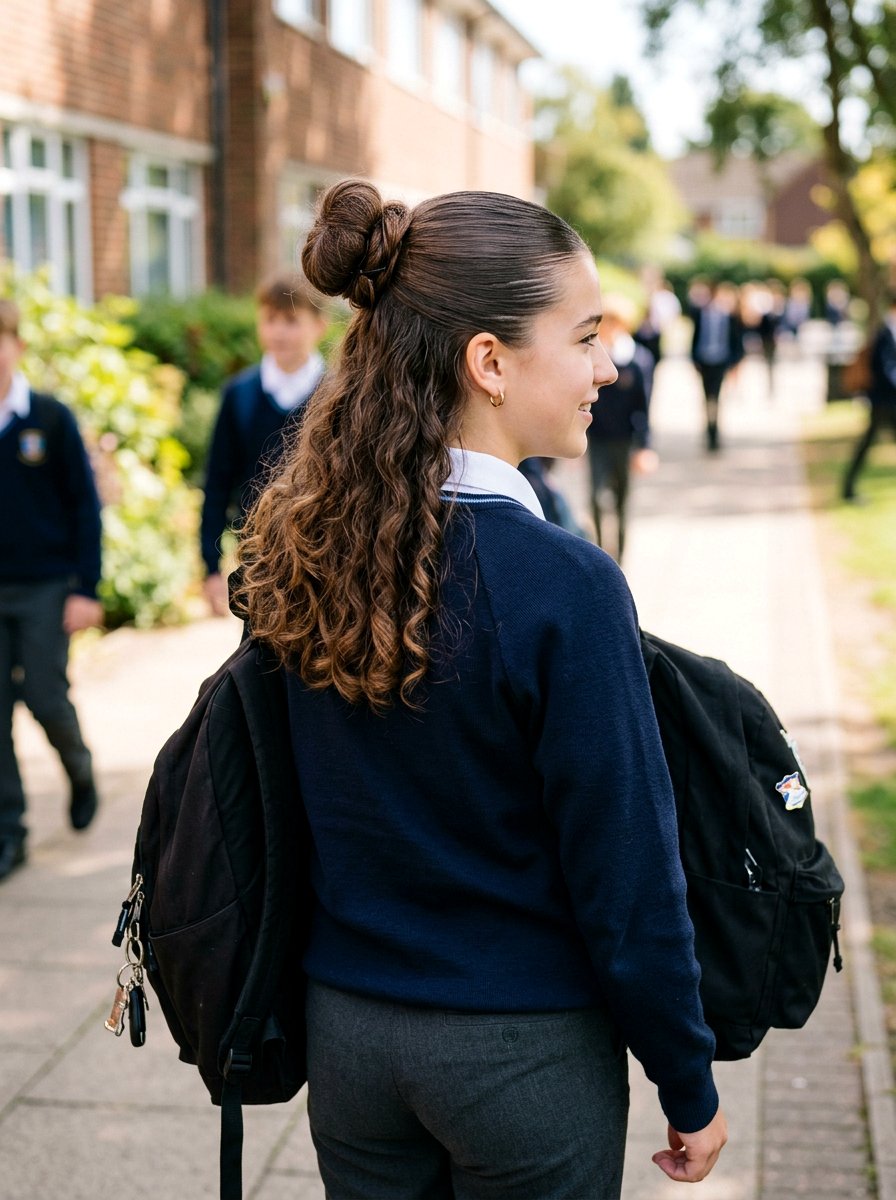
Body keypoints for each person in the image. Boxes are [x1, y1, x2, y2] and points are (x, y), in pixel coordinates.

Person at [234, 180, 727, 1196]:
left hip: (351, 1042)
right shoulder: (566, 587)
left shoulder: (304, 546)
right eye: (583, 335)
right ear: (488, 362)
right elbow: (626, 876)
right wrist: (687, 1079)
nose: (607, 365)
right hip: (521, 1058)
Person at [0, 298, 103, 882]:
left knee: (44, 695)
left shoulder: (49, 418)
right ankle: (9, 832)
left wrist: (85, 587)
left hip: (44, 586)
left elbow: (84, 509)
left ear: (16, 346)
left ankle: (79, 767)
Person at [200, 274, 329, 616]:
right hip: (258, 561)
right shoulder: (239, 395)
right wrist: (210, 567)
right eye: (270, 320)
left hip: (326, 559)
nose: (279, 332)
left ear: (319, 325)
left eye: (291, 321)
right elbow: (217, 483)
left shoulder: (338, 396)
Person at [587, 293, 658, 562]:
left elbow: (644, 407)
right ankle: (600, 550)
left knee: (622, 499)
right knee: (596, 497)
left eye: (615, 323)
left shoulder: (638, 360)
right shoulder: (594, 359)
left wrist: (645, 447)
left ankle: (620, 556)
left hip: (625, 439)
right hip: (597, 439)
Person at [842, 291, 896, 502]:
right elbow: (884, 369)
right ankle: (848, 488)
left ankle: (848, 487)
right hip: (884, 401)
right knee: (865, 445)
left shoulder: (887, 332)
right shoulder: (884, 334)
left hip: (887, 401)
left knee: (866, 444)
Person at [690, 279, 744, 451]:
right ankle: (709, 431)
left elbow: (736, 342)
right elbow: (695, 338)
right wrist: (695, 360)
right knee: (707, 398)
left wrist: (733, 362)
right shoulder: (700, 315)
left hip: (720, 361)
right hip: (705, 361)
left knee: (716, 397)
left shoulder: (728, 317)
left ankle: (715, 433)